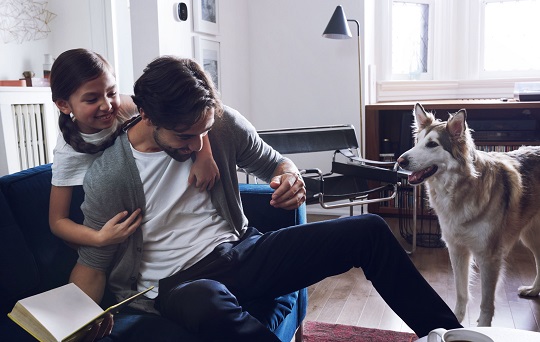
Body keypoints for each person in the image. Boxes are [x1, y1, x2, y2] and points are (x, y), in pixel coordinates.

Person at [69, 56, 462, 341]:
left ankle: (455, 337)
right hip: (177, 285)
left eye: (203, 132)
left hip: (241, 251)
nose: (196, 144)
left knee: (369, 230)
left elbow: (275, 162)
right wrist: (73, 322)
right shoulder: (111, 176)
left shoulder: (218, 125)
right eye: (185, 137)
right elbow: (93, 264)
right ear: (148, 117)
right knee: (206, 298)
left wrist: (289, 178)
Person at [48, 49, 220, 248]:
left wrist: (204, 156)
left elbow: (191, 116)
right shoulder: (67, 153)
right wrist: (99, 238)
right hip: (103, 225)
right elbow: (57, 222)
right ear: (63, 105)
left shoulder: (124, 106)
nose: (106, 105)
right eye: (92, 99)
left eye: (111, 93)